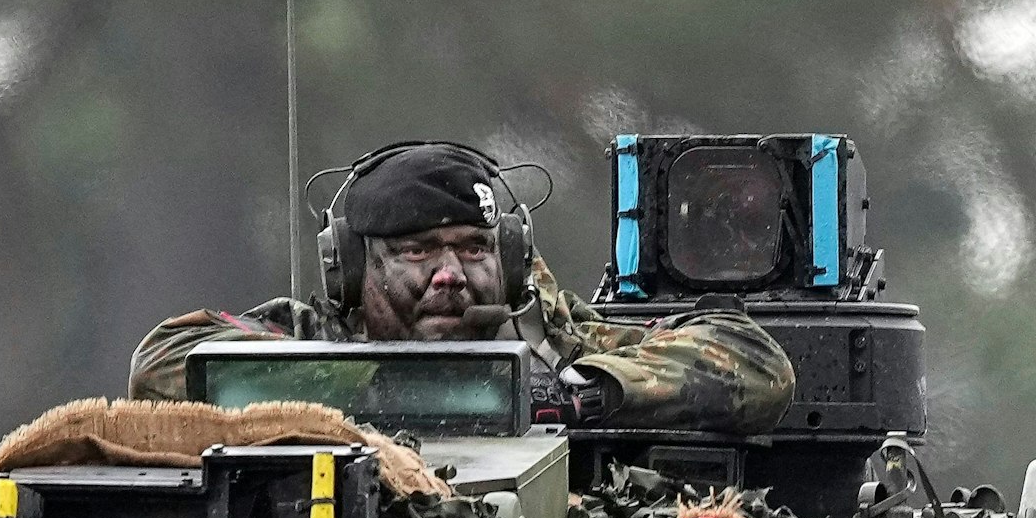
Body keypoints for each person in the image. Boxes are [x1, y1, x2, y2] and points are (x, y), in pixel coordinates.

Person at [130, 142, 796, 434]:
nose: (449, 274)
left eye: (473, 249)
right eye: (418, 251)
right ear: (355, 272)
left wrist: (582, 392)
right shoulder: (311, 338)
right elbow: (160, 363)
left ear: (505, 261)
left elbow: (755, 361)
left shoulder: (552, 338)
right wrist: (359, 387)